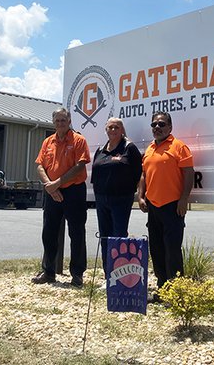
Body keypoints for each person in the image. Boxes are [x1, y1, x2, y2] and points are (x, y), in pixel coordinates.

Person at [32, 107, 91, 287]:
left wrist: (57, 182)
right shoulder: (47, 142)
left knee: (77, 232)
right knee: (49, 232)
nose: (60, 123)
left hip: (74, 191)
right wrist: (50, 186)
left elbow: (80, 166)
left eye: (63, 120)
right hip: (52, 192)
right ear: (53, 122)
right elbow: (40, 166)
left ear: (69, 120)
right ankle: (48, 272)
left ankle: (77, 274)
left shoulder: (79, 140)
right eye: (57, 120)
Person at [137, 111, 194, 297]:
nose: (157, 128)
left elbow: (188, 173)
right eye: (154, 125)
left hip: (173, 206)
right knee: (157, 249)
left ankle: (177, 292)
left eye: (161, 124)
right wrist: (141, 196)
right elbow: (144, 175)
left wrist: (184, 199)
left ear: (170, 127)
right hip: (153, 207)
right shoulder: (150, 149)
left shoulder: (179, 147)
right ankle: (162, 289)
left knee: (172, 250)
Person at [91, 117, 142, 273]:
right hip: (101, 199)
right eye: (110, 127)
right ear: (106, 129)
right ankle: (108, 274)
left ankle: (119, 275)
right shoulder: (100, 150)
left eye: (116, 127)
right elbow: (95, 175)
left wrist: (138, 194)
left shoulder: (129, 148)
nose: (113, 130)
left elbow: (139, 174)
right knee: (105, 237)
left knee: (119, 236)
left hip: (121, 199)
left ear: (122, 130)